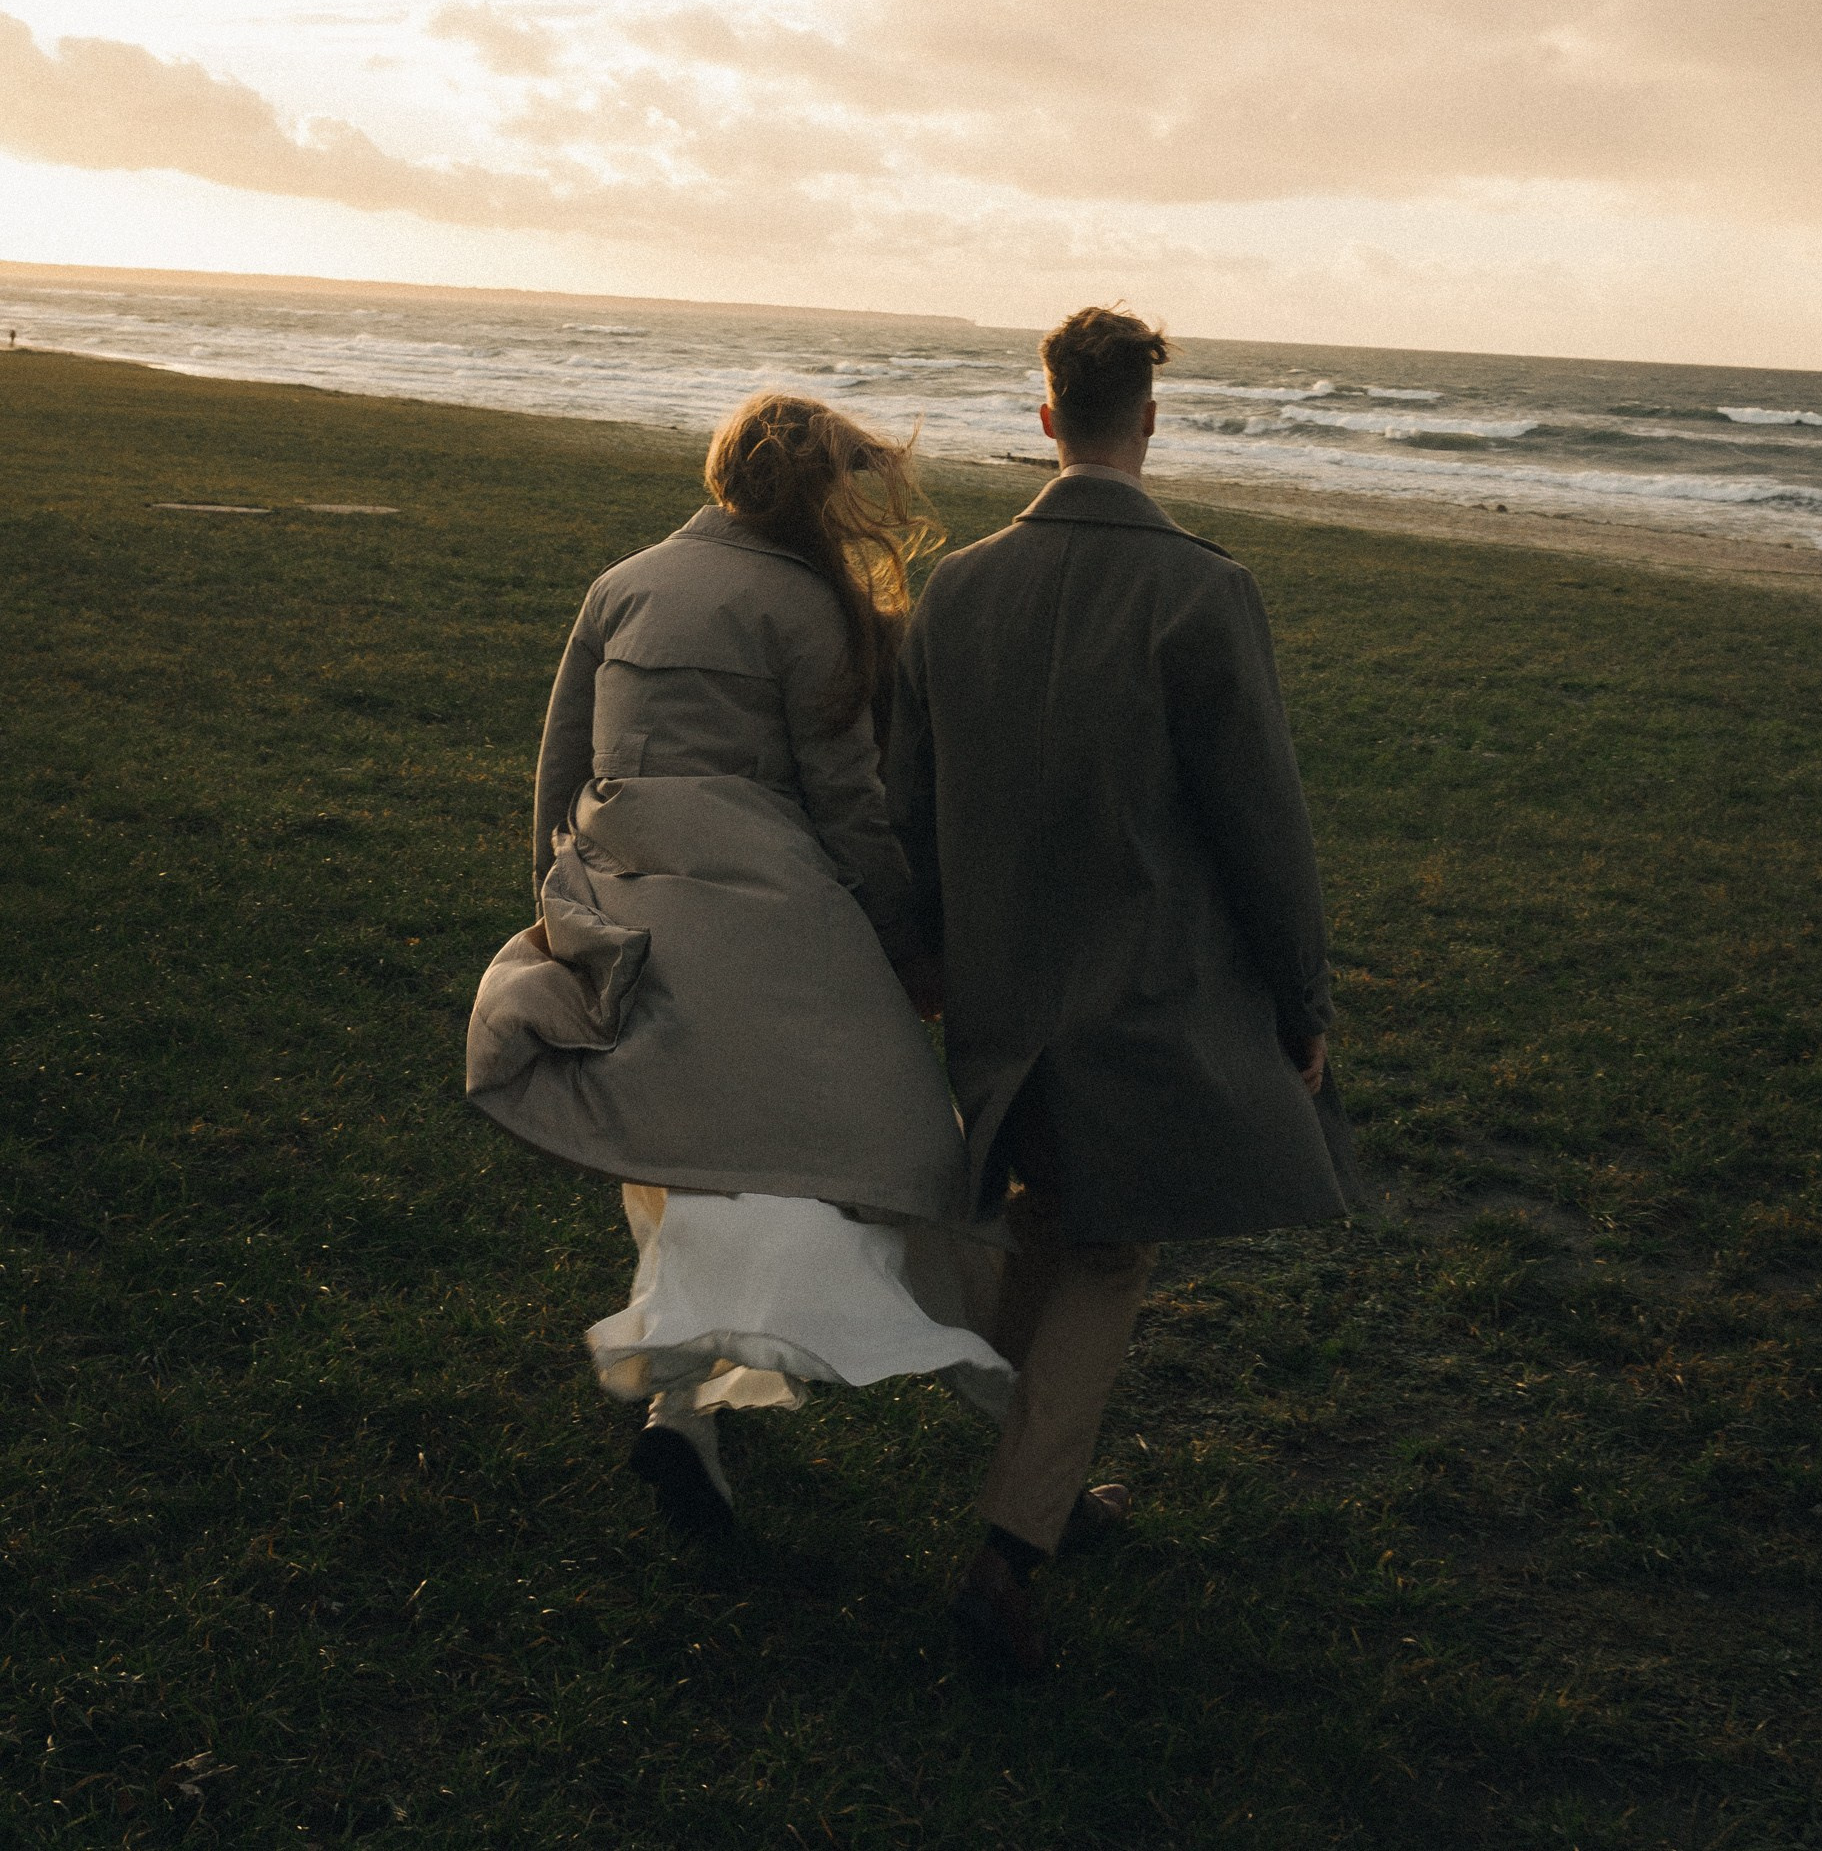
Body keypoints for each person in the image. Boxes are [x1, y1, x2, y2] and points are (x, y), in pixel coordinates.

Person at [885, 306, 1354, 1674]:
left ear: (1047, 416)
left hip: (998, 992)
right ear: (1148, 416)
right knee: (1106, 1250)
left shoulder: (955, 590)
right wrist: (1303, 1000)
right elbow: (1264, 825)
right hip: (1142, 999)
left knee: (1051, 1221)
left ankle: (1041, 1471)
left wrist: (924, 955)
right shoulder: (1202, 592)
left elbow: (906, 806)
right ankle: (1008, 1552)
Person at [466, 393, 1009, 1539]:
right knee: (894, 1139)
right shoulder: (810, 607)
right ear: (819, 492)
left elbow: (558, 767)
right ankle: (992, 1386)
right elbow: (847, 804)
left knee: (681, 1155)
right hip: (759, 911)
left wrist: (558, 910)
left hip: (620, 900)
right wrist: (905, 945)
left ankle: (681, 1415)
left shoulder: (623, 581)